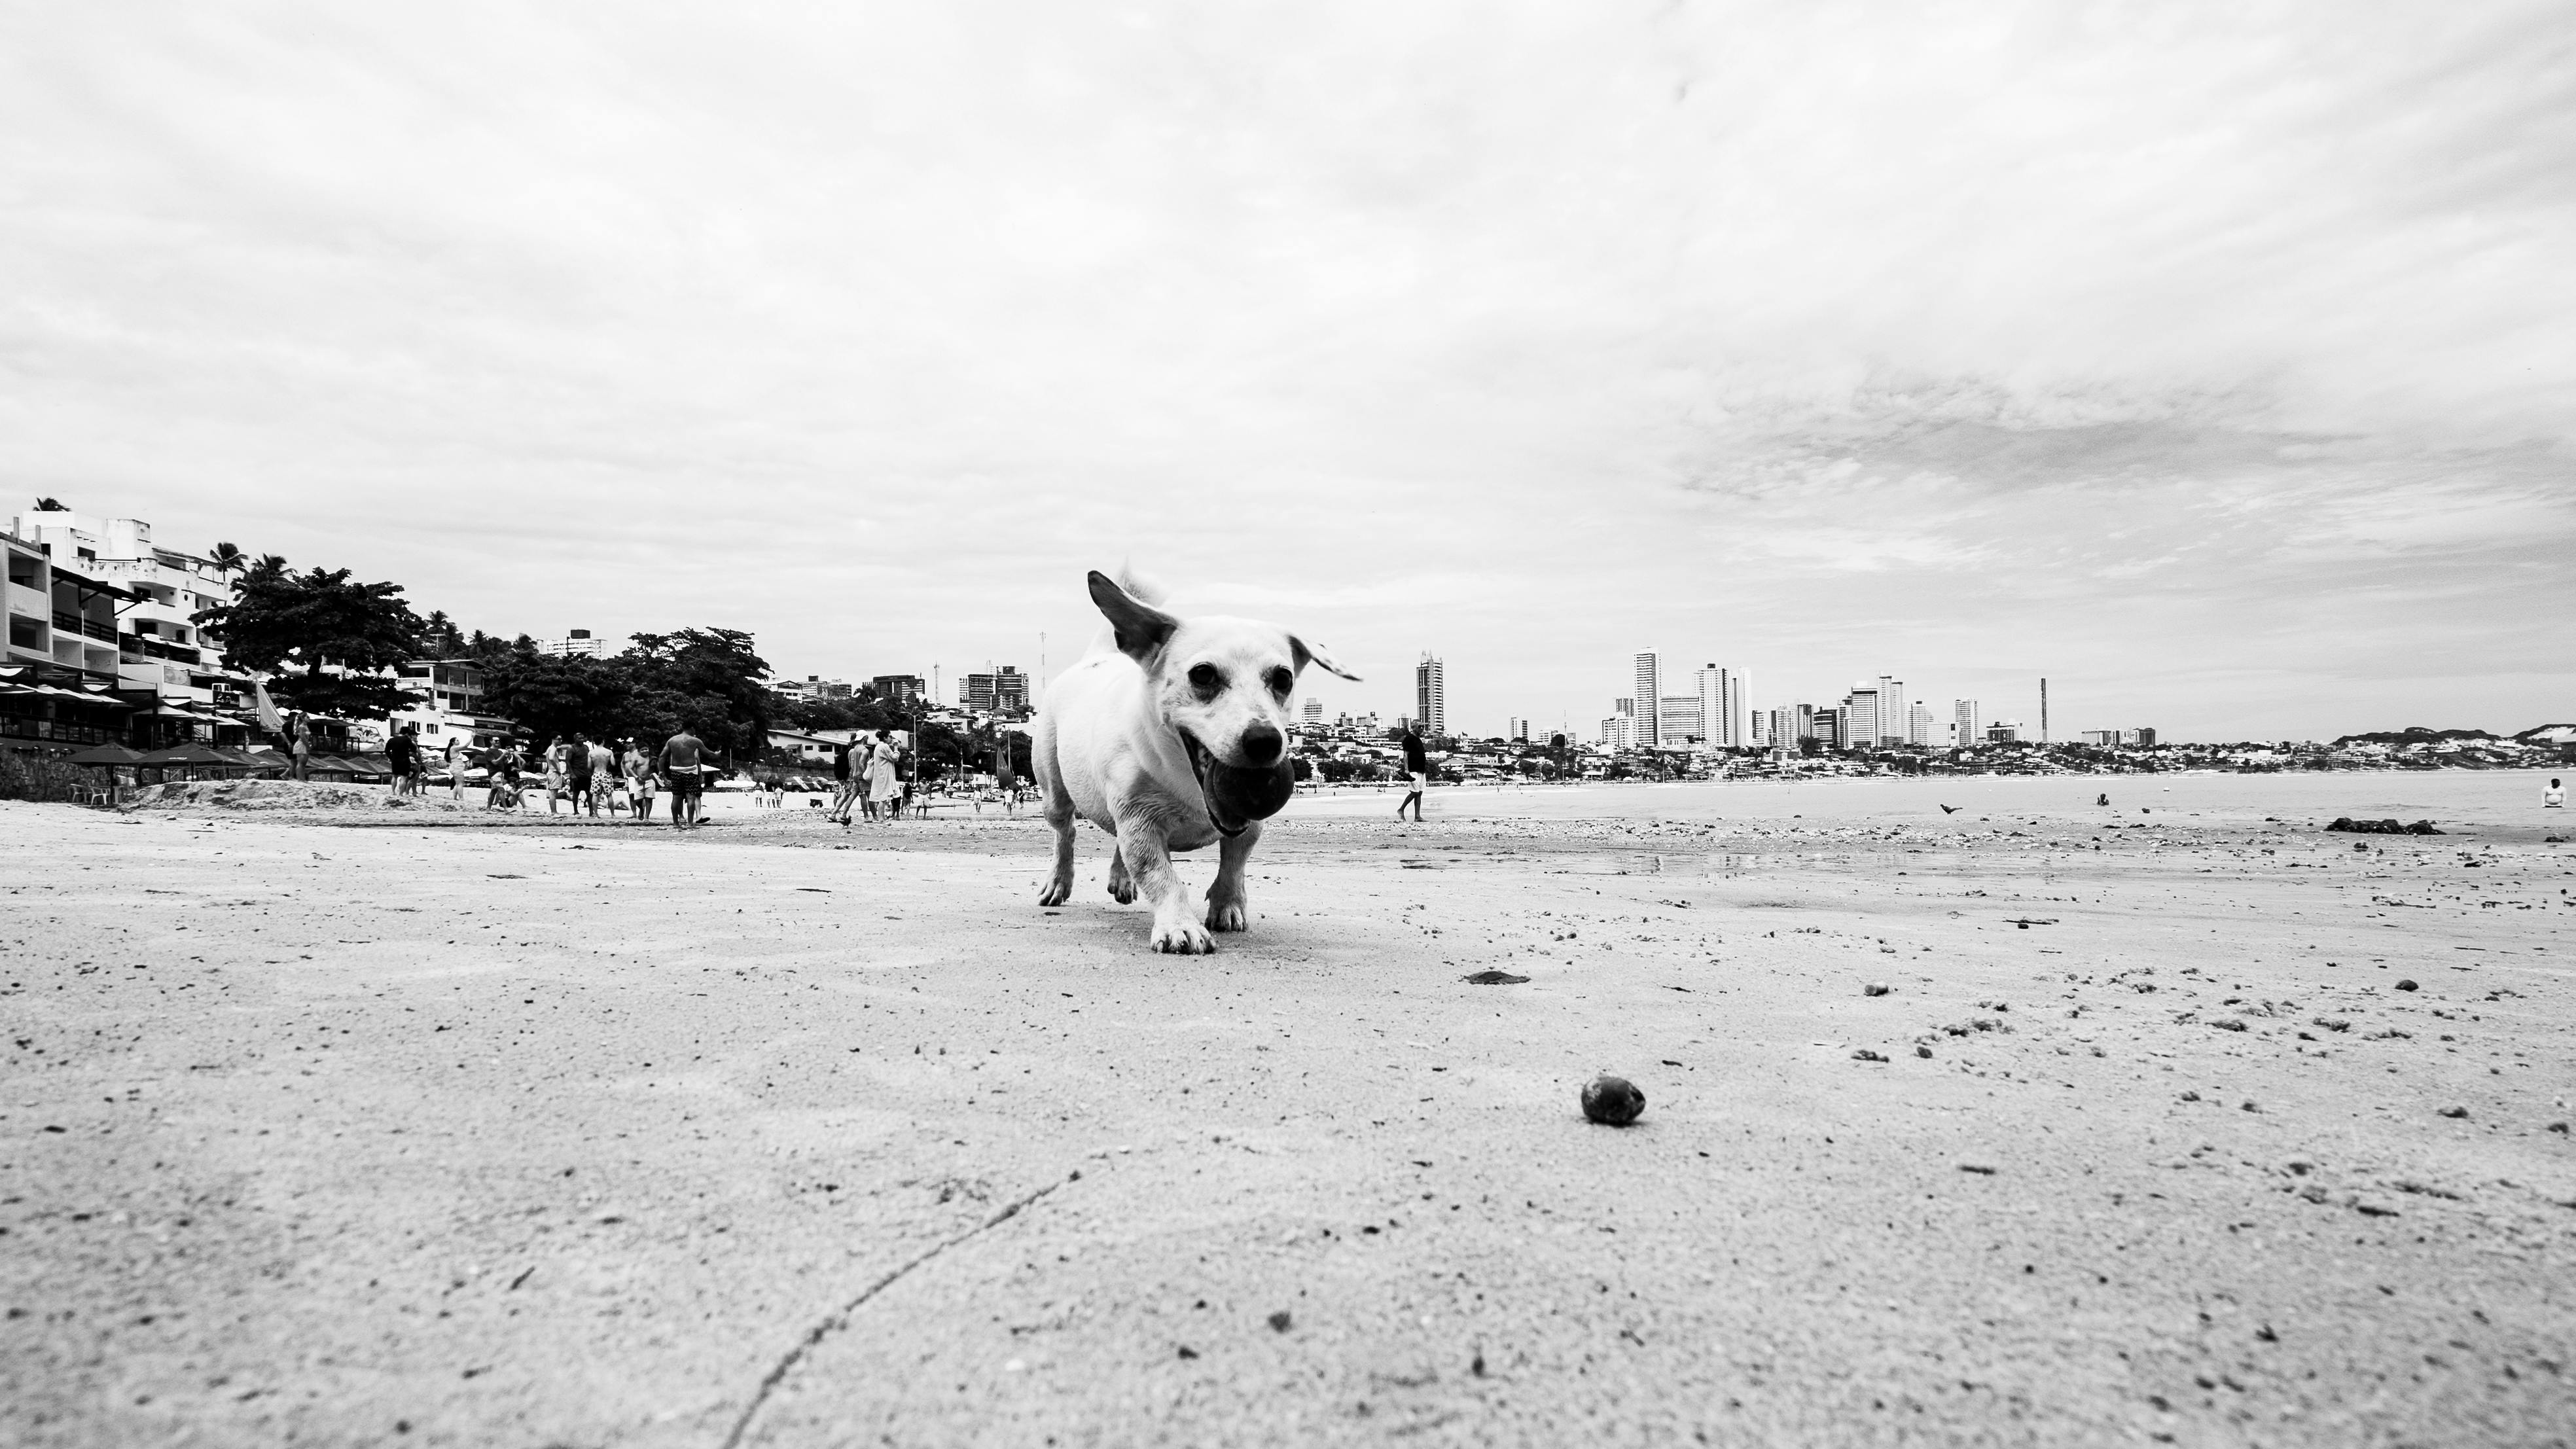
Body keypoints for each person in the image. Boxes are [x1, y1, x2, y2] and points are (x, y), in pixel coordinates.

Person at [657, 727, 722, 830]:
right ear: (692, 728)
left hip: (676, 771)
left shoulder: (672, 740)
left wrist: (662, 772)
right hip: (690, 772)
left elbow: (662, 757)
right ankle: (690, 823)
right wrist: (717, 754)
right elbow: (710, 754)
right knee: (691, 798)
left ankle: (675, 824)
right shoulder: (695, 741)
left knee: (676, 798)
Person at [1397, 724, 1429, 823]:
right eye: (1420, 727)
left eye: (1423, 727)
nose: (1422, 729)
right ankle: (1401, 809)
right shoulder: (1409, 738)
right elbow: (1405, 755)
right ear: (1413, 727)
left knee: (1419, 793)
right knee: (1414, 792)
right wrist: (1406, 769)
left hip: (1421, 770)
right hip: (1413, 769)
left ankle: (1417, 816)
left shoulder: (1418, 739)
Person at [866, 729, 899, 823]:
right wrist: (896, 748)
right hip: (884, 775)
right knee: (883, 798)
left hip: (880, 774)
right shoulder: (884, 746)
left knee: (882, 797)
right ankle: (881, 818)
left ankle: (881, 818)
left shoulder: (878, 747)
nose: (891, 739)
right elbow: (894, 758)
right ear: (885, 738)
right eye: (890, 737)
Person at [584, 734, 618, 817]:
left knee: (595, 795)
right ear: (603, 741)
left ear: (595, 743)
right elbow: (613, 764)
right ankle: (613, 814)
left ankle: (596, 814)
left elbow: (589, 766)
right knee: (609, 795)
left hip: (596, 774)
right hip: (606, 773)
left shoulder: (591, 753)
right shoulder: (609, 752)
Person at [624, 740, 656, 821]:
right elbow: (630, 769)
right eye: (642, 750)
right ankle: (641, 810)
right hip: (639, 781)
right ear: (638, 751)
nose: (645, 751)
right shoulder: (636, 759)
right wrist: (636, 777)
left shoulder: (652, 758)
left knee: (649, 799)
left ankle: (647, 818)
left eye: (646, 749)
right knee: (638, 800)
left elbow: (657, 769)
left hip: (650, 780)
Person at [385, 725, 418, 797]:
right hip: (405, 760)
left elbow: (387, 751)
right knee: (404, 778)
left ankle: (393, 791)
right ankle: (400, 794)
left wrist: (391, 758)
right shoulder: (407, 740)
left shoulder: (392, 740)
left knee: (394, 776)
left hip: (395, 760)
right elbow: (414, 749)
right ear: (407, 733)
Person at [289, 711, 312, 781]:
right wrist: (308, 746)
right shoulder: (302, 727)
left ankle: (302, 778)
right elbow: (302, 737)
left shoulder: (305, 726)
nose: (309, 718)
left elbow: (306, 737)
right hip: (301, 744)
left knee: (304, 763)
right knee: (301, 763)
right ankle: (300, 779)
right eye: (307, 717)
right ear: (303, 718)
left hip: (304, 744)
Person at [446, 736, 465, 802]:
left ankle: (455, 797)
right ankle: (461, 798)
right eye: (457, 740)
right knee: (460, 783)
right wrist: (471, 738)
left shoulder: (453, 748)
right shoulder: (454, 748)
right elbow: (466, 746)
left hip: (456, 767)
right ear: (453, 742)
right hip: (457, 767)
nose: (458, 741)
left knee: (458, 783)